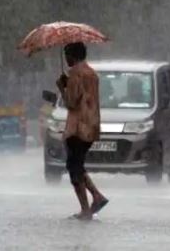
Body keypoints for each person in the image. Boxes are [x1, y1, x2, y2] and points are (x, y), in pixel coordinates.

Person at [56, 42, 109, 221]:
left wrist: (61, 87)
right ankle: (93, 200)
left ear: (73, 55)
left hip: (77, 128)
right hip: (91, 125)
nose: (66, 59)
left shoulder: (75, 74)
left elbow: (71, 102)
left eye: (67, 55)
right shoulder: (92, 74)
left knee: (74, 168)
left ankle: (88, 206)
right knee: (77, 165)